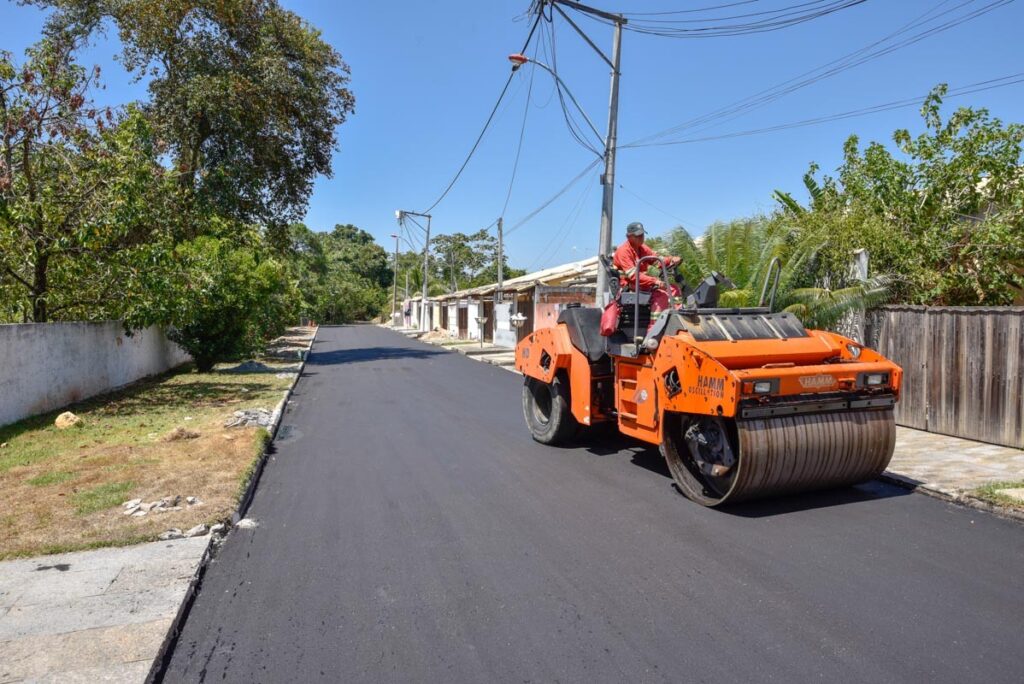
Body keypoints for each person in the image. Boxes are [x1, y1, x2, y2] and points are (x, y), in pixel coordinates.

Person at [612, 221, 680, 315]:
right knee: (660, 295)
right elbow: (633, 276)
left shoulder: (642, 248)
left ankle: (677, 316)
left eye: (642, 235)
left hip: (642, 284)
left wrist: (671, 260)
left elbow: (657, 261)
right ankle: (654, 328)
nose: (641, 238)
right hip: (630, 287)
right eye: (638, 236)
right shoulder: (624, 251)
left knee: (674, 289)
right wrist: (655, 281)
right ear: (629, 237)